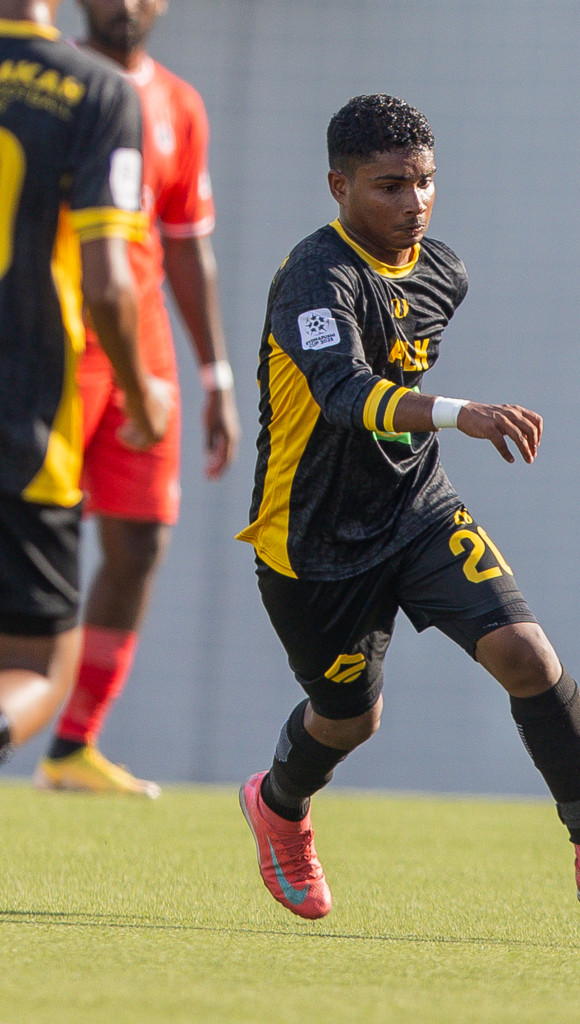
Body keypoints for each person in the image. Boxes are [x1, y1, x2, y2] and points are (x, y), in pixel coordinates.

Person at [234, 94, 580, 924]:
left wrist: (439, 431)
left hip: (415, 507)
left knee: (526, 653)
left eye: (425, 182)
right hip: (311, 539)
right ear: (338, 186)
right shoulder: (315, 275)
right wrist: (461, 413)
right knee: (349, 720)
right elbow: (342, 394)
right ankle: (278, 806)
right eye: (388, 186)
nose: (412, 202)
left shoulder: (441, 272)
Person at [33, 0, 238, 798]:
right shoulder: (51, 85)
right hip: (47, 348)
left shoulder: (179, 106)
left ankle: (73, 746)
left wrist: (215, 376)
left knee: (140, 542)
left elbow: (187, 245)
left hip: (140, 361)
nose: (122, 4)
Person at [0, 0, 168, 768]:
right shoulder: (95, 91)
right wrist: (142, 392)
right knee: (37, 666)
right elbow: (108, 284)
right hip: (27, 423)